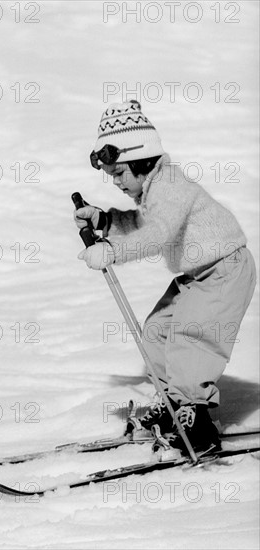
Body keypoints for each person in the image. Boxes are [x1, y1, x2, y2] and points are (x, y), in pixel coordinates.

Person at [74, 100, 256, 454]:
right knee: (157, 330)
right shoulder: (154, 189)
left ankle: (196, 421)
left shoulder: (169, 184)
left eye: (119, 173)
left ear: (141, 160)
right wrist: (105, 221)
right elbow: (144, 225)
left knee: (192, 336)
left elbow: (157, 234)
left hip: (225, 269)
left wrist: (112, 251)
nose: (116, 183)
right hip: (197, 274)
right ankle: (173, 405)